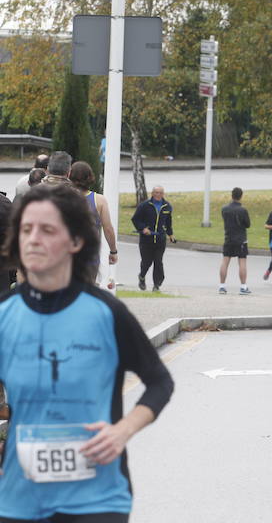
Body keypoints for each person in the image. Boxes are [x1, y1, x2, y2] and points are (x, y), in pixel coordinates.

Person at [0, 183, 174, 522]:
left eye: (47, 230)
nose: (33, 239)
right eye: (26, 229)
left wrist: (122, 431)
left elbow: (160, 382)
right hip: (20, 498)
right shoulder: (6, 316)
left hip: (97, 498)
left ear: (76, 241)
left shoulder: (105, 313)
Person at [69, 161, 118, 283]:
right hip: (89, 257)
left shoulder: (63, 197)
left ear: (70, 176)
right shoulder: (99, 200)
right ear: (90, 177)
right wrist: (113, 251)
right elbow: (108, 229)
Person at [131, 186, 174, 292]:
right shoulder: (144, 206)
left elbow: (168, 222)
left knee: (158, 262)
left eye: (160, 193)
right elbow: (135, 219)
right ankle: (141, 277)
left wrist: (170, 234)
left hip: (160, 239)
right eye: (156, 192)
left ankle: (156, 285)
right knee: (146, 262)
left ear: (163, 194)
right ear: (152, 193)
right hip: (146, 240)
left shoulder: (167, 206)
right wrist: (143, 228)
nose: (158, 195)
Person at [219, 187, 251, 295]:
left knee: (225, 261)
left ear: (231, 195)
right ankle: (243, 287)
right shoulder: (243, 210)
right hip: (240, 239)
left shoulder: (224, 209)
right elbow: (247, 224)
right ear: (241, 196)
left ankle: (222, 286)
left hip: (228, 238)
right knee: (242, 262)